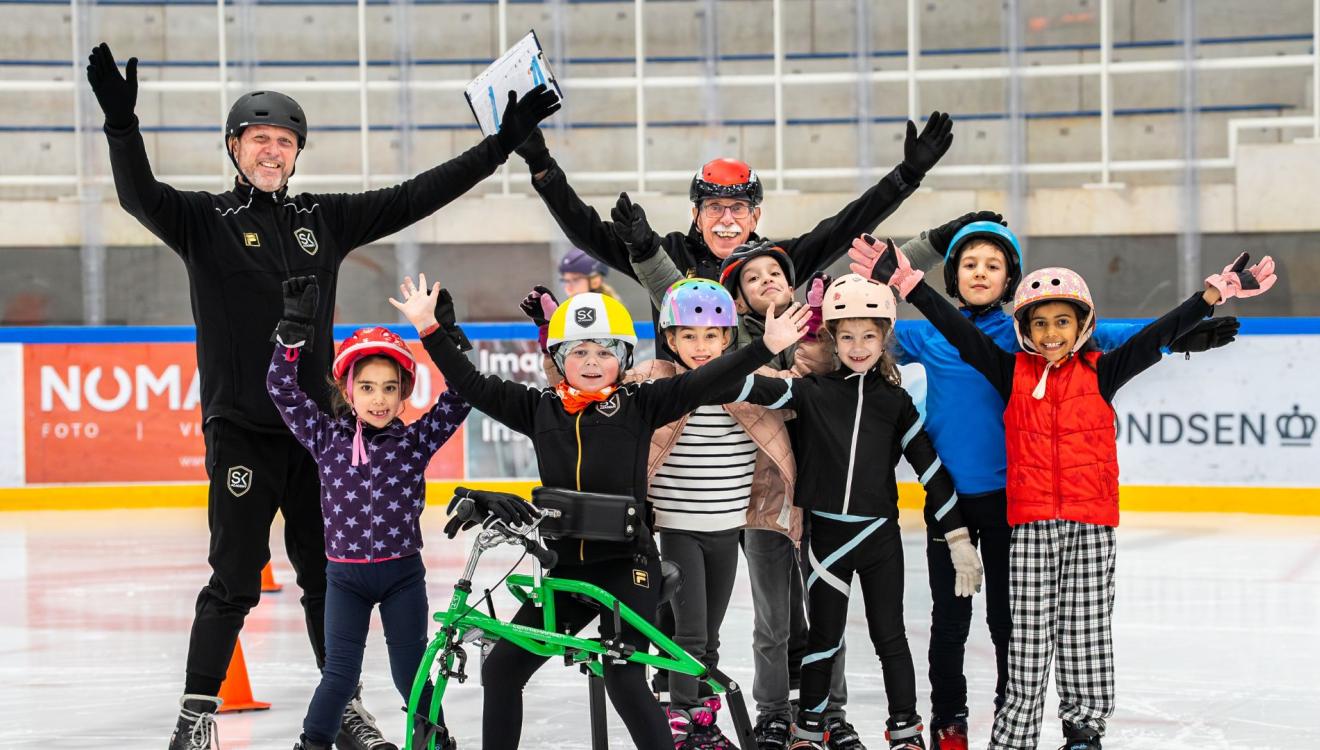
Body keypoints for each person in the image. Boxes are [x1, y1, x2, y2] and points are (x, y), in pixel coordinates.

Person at [83, 41, 561, 750]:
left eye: (284, 141)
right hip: (243, 428)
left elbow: (414, 195)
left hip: (324, 439)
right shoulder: (202, 221)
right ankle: (195, 717)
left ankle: (344, 708)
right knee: (233, 580)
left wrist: (499, 146)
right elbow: (137, 196)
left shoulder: (323, 221)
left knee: (324, 577)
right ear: (234, 148)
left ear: (296, 152)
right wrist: (123, 129)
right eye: (258, 140)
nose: (271, 151)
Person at [856, 237, 1276, 750]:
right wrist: (909, 285)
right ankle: (1009, 734)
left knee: (1084, 635)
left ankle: (1083, 728)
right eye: (1039, 323)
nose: (1051, 334)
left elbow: (1151, 338)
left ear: (1082, 328)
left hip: (1088, 522)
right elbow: (959, 334)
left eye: (1062, 322)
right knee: (1025, 639)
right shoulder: (1010, 372)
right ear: (1023, 329)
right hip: (1027, 522)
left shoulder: (1103, 372)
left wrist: (1209, 297)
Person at [389, 275, 812, 750]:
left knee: (623, 676)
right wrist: (429, 329)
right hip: (565, 575)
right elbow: (470, 383)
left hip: (626, 569)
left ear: (624, 359)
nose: (592, 363)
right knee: (503, 669)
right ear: (560, 358)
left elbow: (705, 380)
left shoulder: (642, 403)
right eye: (579, 352)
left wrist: (764, 348)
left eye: (605, 352)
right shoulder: (538, 409)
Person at [719, 274, 983, 750]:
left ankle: (906, 730)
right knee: (824, 639)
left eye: (868, 335)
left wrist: (959, 538)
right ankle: (808, 730)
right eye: (846, 335)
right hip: (826, 542)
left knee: (890, 638)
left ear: (885, 338)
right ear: (832, 339)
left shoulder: (897, 403)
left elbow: (931, 471)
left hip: (880, 539)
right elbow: (742, 386)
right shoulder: (810, 393)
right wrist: (760, 349)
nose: (858, 346)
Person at [268, 277, 499, 750]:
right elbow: (282, 390)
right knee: (338, 677)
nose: (379, 399)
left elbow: (461, 395)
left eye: (390, 388)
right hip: (345, 580)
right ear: (348, 390)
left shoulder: (415, 441)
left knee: (410, 674)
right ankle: (311, 745)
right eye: (368, 387)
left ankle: (435, 741)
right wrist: (292, 334)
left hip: (402, 578)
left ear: (404, 393)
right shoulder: (326, 438)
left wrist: (448, 339)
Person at [510, 113, 956, 332]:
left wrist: (906, 176)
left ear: (755, 215)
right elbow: (585, 230)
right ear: (695, 214)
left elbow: (844, 225)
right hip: (681, 412)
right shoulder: (661, 254)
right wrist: (543, 167)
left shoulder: (775, 261)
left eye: (738, 208)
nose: (726, 219)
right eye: (714, 208)